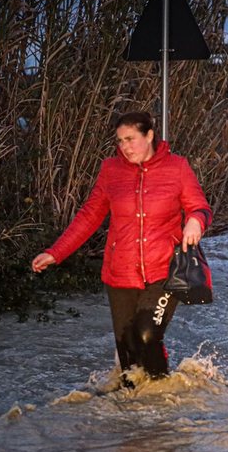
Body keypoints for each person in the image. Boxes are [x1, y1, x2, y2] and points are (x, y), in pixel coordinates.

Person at [31, 111, 212, 388]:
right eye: (120, 140)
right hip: (120, 273)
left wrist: (195, 222)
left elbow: (200, 207)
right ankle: (133, 409)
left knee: (146, 335)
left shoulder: (177, 167)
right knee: (129, 359)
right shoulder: (111, 170)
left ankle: (165, 394)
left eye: (130, 139)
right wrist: (56, 252)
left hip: (164, 271)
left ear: (149, 135)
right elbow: (89, 216)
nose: (125, 147)